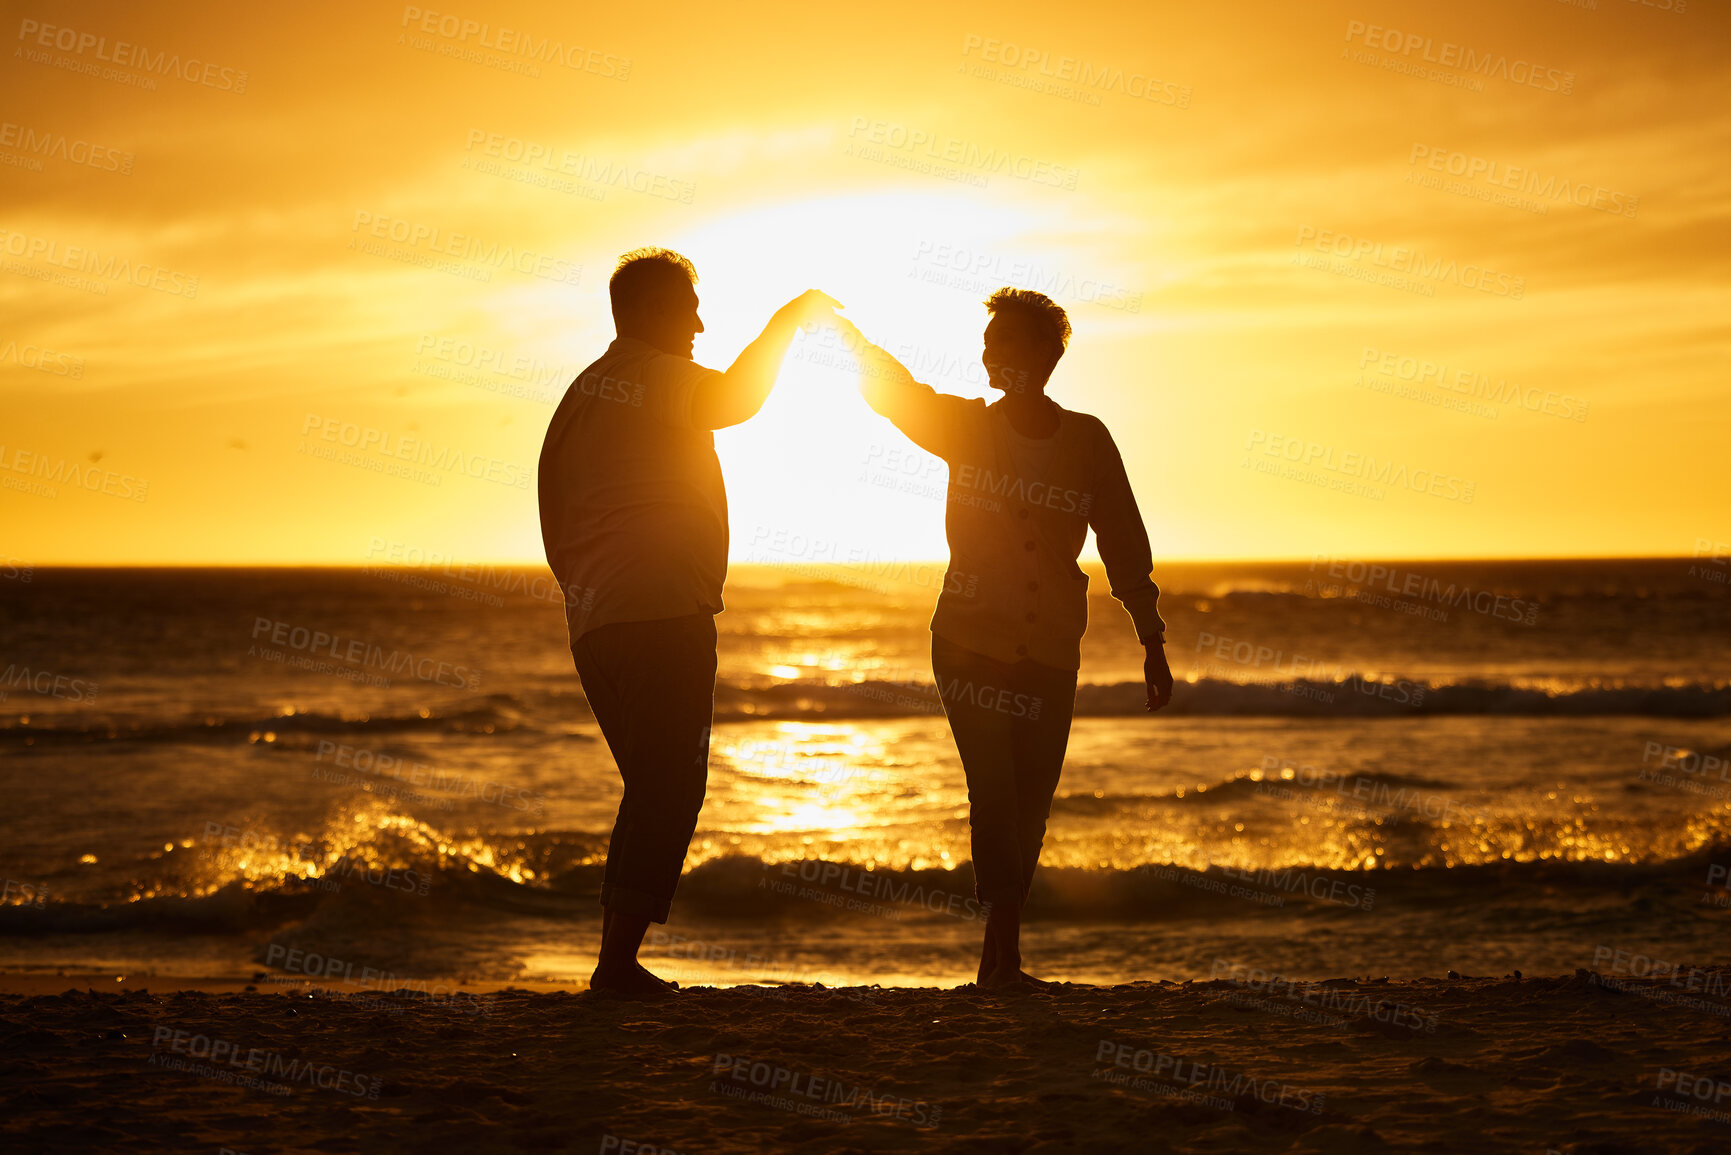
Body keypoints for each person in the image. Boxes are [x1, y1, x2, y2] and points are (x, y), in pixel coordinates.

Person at [835, 289, 1174, 989]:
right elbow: (898, 395)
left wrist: (1150, 635)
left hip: (1050, 645)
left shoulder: (1087, 439)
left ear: (1045, 355)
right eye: (987, 343)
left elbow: (1122, 539)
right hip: (967, 640)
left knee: (1030, 803)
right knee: (993, 793)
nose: (990, 354)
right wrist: (848, 339)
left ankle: (998, 957)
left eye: (1006, 343)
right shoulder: (964, 427)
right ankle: (1006, 962)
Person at [538, 246, 839, 998]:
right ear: (645, 312)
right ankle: (615, 967)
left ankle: (617, 960)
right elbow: (737, 400)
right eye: (688, 308)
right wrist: (784, 323)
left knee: (652, 785)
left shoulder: (580, 393)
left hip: (597, 620)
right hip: (659, 608)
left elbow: (551, 506)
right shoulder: (656, 373)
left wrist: (581, 590)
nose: (700, 323)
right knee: (669, 786)